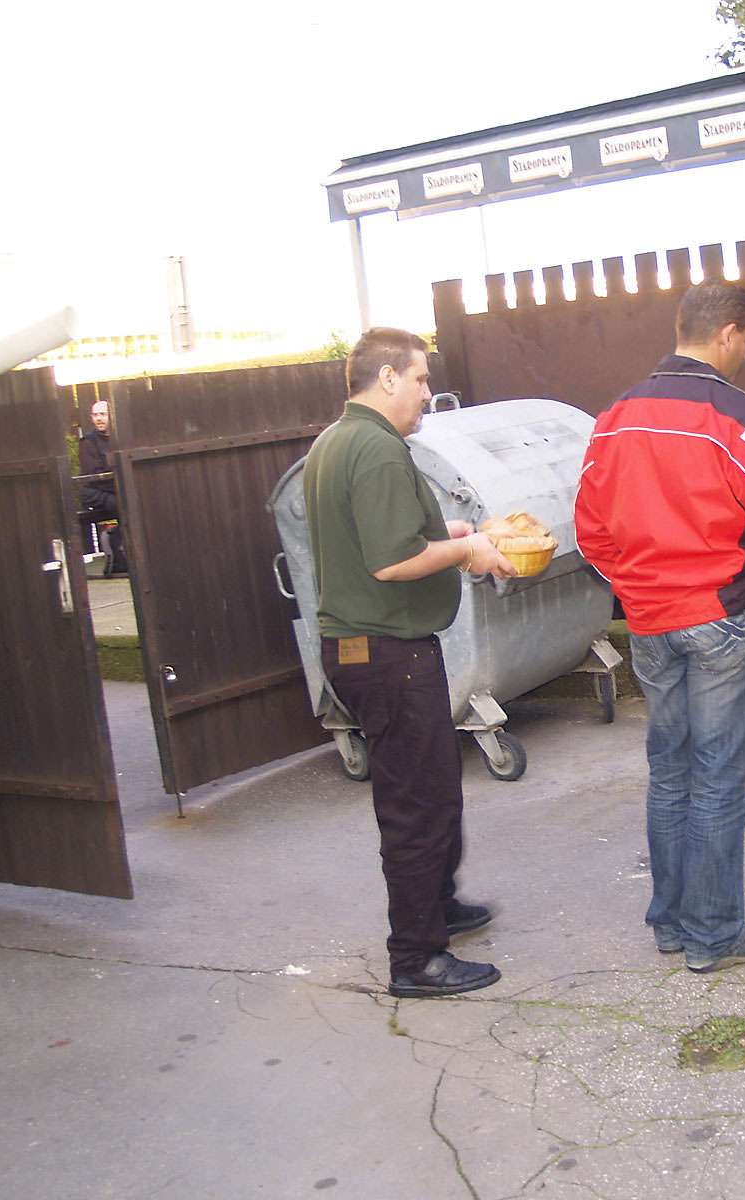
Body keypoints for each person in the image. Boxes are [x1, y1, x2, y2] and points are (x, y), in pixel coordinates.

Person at [574, 282, 745, 972]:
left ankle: (673, 923)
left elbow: (589, 530)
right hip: (724, 616)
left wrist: (637, 589)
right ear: (729, 334)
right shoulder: (737, 416)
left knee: (670, 771)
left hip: (651, 620)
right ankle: (714, 935)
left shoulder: (614, 419)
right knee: (716, 778)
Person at [303, 327, 516, 998]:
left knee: (434, 788)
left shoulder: (337, 440)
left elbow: (375, 537)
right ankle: (417, 958)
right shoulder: (375, 448)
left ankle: (438, 907)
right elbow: (393, 562)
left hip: (370, 648)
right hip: (386, 651)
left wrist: (445, 534)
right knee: (416, 803)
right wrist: (470, 550)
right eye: (420, 379)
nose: (427, 393)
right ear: (388, 377)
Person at [77, 399, 125, 573]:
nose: (99, 418)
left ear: (111, 415)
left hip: (116, 489)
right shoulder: (88, 442)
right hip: (95, 492)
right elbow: (95, 474)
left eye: (103, 414)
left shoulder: (119, 438)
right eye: (95, 415)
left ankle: (119, 550)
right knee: (124, 505)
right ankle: (114, 545)